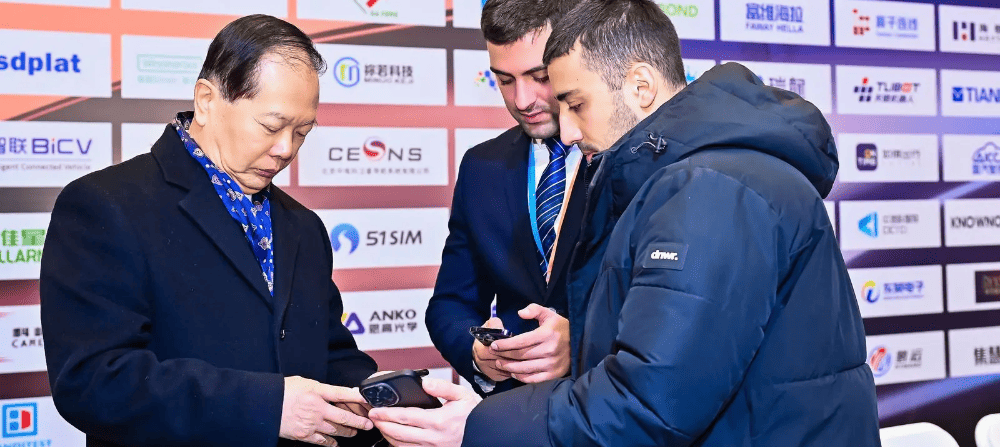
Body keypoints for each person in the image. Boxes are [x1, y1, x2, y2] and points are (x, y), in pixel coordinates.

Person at [367, 1, 881, 446]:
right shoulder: (699, 175)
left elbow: (651, 401)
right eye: (506, 81)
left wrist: (479, 426)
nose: (567, 131)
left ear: (640, 86)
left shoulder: (709, 187)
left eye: (575, 103)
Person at [40, 15, 383, 447]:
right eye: (271, 126)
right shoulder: (105, 205)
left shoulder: (303, 225)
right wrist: (268, 407)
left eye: (302, 132)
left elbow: (329, 353)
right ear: (206, 100)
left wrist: (379, 401)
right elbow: (92, 381)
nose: (286, 149)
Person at [425, 0, 585, 395]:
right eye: (504, 80)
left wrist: (582, 342)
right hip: (514, 411)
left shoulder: (631, 158)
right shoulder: (482, 166)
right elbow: (451, 303)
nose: (522, 100)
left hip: (613, 407)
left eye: (540, 76)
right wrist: (479, 354)